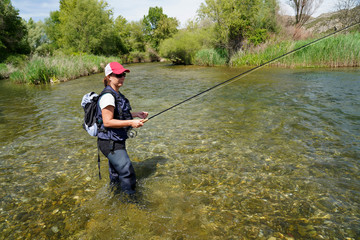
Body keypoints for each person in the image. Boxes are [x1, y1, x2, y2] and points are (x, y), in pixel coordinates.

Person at [96, 62, 148, 196]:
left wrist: (136, 114)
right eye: (118, 75)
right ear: (109, 76)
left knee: (116, 174)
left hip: (114, 139)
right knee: (127, 171)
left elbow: (117, 114)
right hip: (109, 142)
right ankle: (131, 201)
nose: (122, 77)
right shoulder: (108, 96)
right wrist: (131, 122)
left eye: (123, 74)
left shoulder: (115, 94)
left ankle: (115, 196)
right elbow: (107, 122)